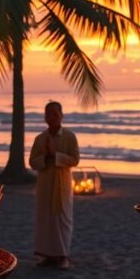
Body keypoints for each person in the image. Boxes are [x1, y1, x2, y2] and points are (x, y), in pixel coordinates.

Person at [29, 101, 80, 269]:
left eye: (55, 114)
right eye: (48, 115)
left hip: (62, 183)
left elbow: (74, 159)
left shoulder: (70, 137)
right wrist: (46, 158)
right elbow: (32, 162)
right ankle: (47, 255)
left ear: (62, 116)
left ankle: (63, 256)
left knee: (62, 218)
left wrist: (55, 155)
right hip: (44, 183)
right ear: (45, 118)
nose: (52, 118)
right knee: (45, 220)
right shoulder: (40, 138)